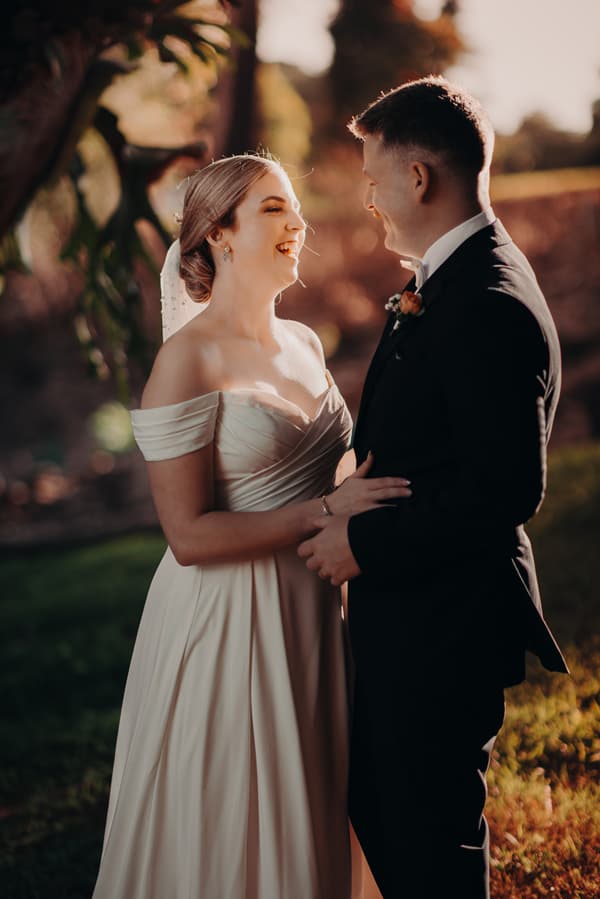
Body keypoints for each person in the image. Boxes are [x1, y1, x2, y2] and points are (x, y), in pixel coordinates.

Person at [91, 153, 411, 899]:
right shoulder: (186, 359)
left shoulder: (302, 344)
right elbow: (188, 535)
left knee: (314, 798)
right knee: (236, 814)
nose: (297, 223)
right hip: (228, 620)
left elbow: (335, 473)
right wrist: (327, 512)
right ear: (218, 234)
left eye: (294, 208)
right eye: (273, 209)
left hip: (314, 609)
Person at [298, 78, 569, 899]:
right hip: (419, 616)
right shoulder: (451, 278)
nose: (368, 197)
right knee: (393, 820)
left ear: (418, 178)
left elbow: (504, 489)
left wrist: (362, 542)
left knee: (429, 846)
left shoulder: (483, 299)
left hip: (443, 624)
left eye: (374, 177)